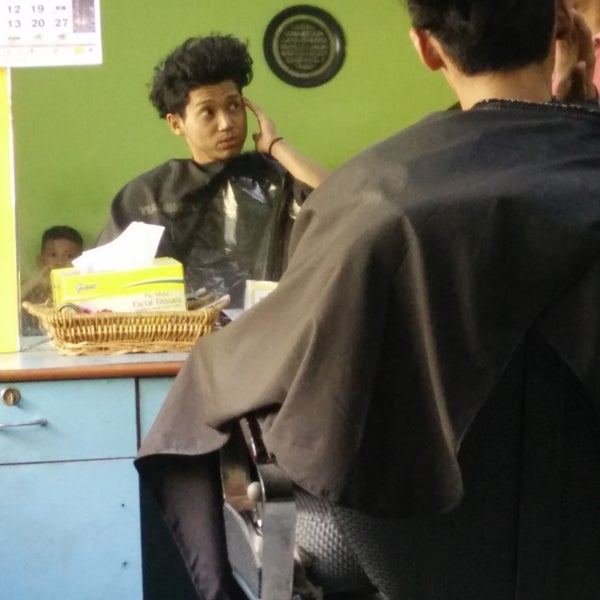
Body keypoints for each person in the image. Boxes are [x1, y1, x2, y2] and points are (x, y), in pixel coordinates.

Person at [135, 1, 600, 598]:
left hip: (427, 552)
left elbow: (246, 374)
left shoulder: (375, 201)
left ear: (426, 48)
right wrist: (576, 113)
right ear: (562, 26)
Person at [96, 35, 328, 306]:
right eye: (208, 112)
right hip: (177, 330)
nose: (226, 123)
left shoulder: (276, 177)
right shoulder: (148, 195)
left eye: (234, 106)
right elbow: (105, 285)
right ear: (176, 124)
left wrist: (276, 145)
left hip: (272, 324)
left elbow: (340, 199)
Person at [21, 225, 84, 305]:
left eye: (69, 256)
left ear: (81, 262)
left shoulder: (82, 287)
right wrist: (35, 280)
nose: (60, 262)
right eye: (53, 255)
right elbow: (10, 302)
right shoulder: (32, 287)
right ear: (41, 261)